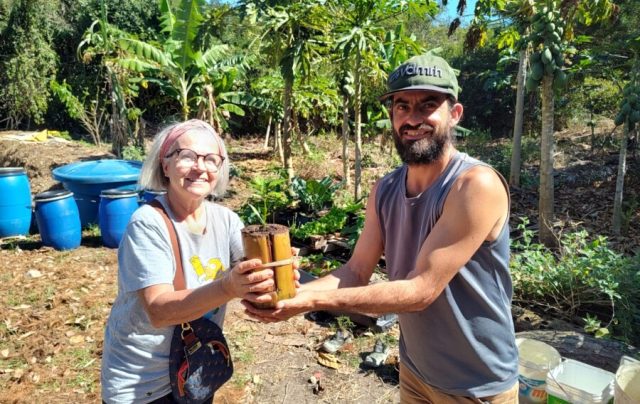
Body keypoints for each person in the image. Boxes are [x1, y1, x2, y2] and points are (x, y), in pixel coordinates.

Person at [243, 53, 519, 403]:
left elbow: (420, 290)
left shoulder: (474, 185)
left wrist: (310, 299)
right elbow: (356, 270)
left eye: (428, 105)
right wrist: (289, 296)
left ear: (455, 114)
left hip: (476, 383)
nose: (412, 118)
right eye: (402, 106)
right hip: (416, 371)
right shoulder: (386, 189)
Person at [101, 119, 276, 403]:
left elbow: (249, 274)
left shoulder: (227, 220)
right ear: (165, 165)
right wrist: (229, 287)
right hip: (143, 384)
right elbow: (159, 311)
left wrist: (273, 274)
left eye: (211, 159)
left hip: (194, 369)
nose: (200, 167)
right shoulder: (147, 223)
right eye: (187, 156)